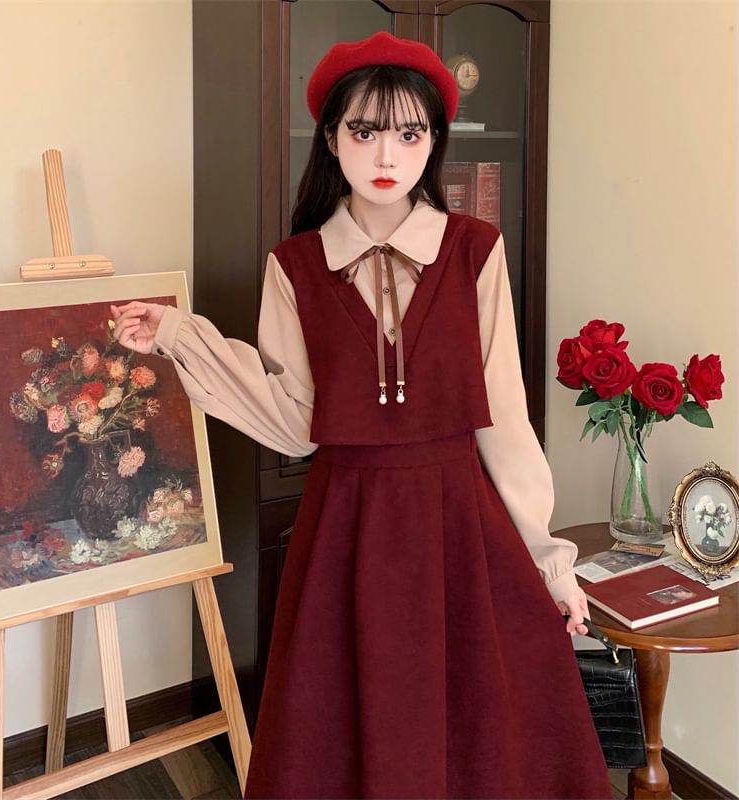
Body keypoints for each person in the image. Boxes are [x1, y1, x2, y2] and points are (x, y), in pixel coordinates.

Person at [112, 31, 612, 800]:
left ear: (434, 141)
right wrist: (180, 335)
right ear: (331, 138)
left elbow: (504, 420)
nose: (387, 154)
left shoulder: (475, 252)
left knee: (481, 740)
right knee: (343, 739)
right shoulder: (296, 266)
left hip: (461, 528)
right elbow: (292, 419)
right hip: (346, 530)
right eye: (365, 130)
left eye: (410, 134)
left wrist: (550, 563)